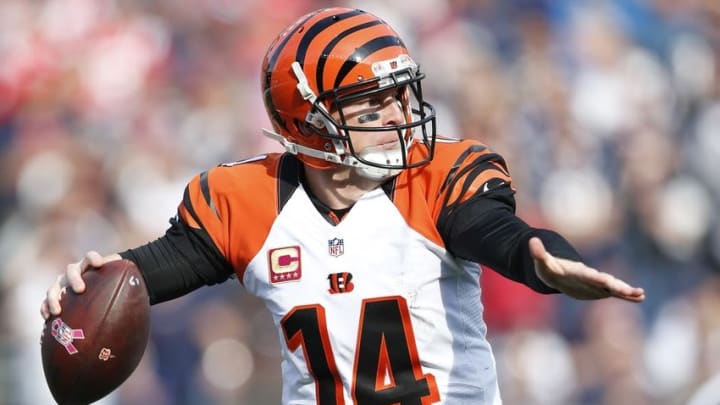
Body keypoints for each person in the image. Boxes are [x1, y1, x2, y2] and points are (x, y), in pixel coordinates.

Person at [41, 7, 645, 404]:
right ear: (307, 120)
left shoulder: (436, 181)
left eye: (400, 95)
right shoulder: (247, 202)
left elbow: (500, 234)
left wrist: (544, 262)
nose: (399, 117)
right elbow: (149, 271)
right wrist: (87, 286)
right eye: (370, 105)